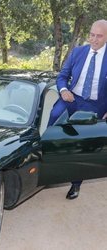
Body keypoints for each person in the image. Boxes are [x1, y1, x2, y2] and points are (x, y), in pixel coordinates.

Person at [48, 19, 107, 200]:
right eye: (91, 34)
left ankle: (75, 184)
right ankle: (49, 165)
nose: (94, 39)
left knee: (84, 145)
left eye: (99, 36)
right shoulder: (78, 52)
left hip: (95, 105)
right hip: (72, 98)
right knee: (54, 118)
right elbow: (62, 76)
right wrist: (64, 90)